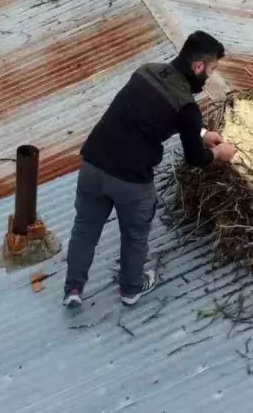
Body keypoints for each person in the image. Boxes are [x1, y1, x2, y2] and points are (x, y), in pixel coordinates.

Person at [63, 32, 237, 308]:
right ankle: (131, 288)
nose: (210, 77)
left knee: (85, 228)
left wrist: (201, 133)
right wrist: (219, 152)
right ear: (199, 67)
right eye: (212, 69)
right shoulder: (187, 107)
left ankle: (73, 288)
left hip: (94, 163)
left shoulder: (146, 72)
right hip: (131, 180)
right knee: (134, 235)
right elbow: (195, 159)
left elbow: (152, 114)